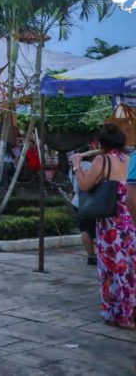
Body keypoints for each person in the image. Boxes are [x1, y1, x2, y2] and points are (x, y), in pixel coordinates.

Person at [71, 123, 135, 329]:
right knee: (128, 269)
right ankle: (130, 312)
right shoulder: (128, 159)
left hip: (110, 224)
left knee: (112, 269)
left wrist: (76, 165)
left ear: (101, 143)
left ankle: (118, 314)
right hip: (129, 221)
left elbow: (85, 185)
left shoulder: (102, 160)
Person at [69, 147, 97, 265]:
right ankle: (92, 256)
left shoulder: (73, 167)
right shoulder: (89, 166)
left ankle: (91, 255)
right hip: (88, 201)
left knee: (85, 229)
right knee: (90, 229)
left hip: (77, 201)